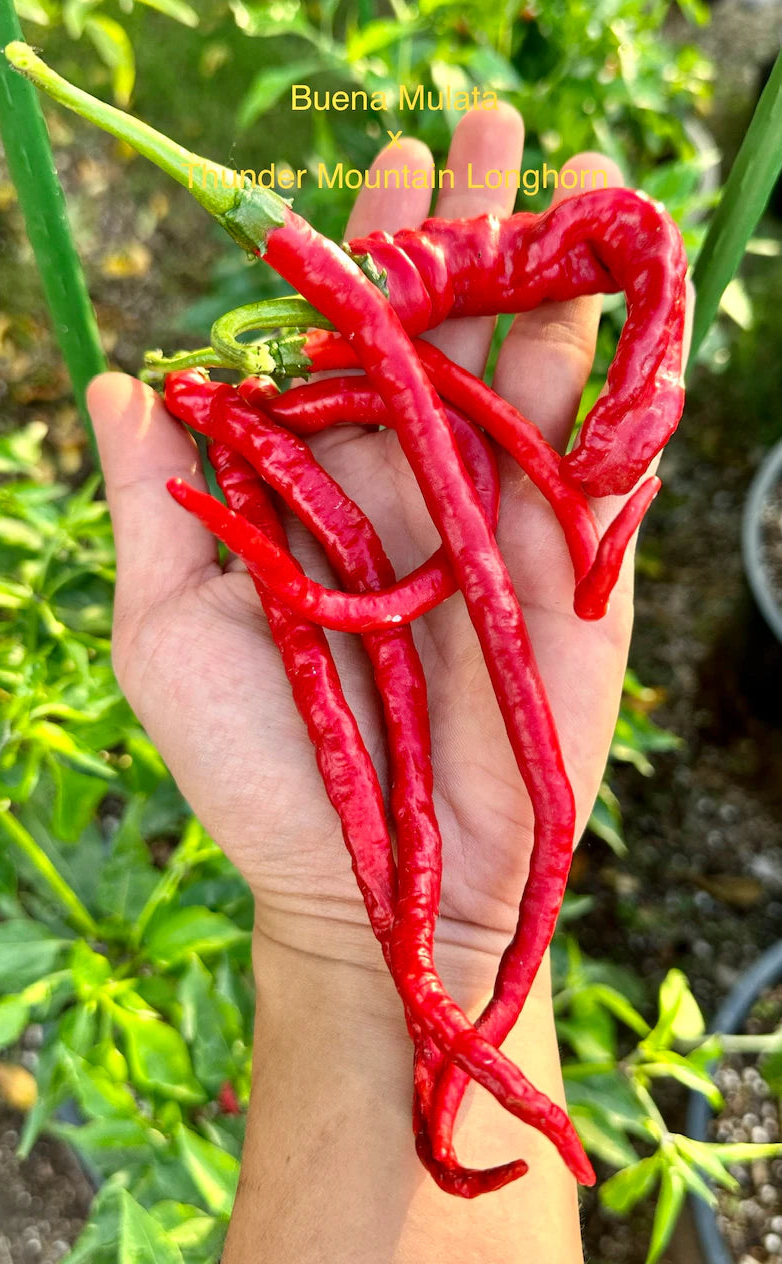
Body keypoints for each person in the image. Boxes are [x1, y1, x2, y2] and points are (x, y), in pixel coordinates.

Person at [86, 105, 692, 1263]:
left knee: (402, 584)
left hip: (345, 374)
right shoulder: (275, 420)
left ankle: (451, 1022)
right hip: (325, 391)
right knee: (394, 583)